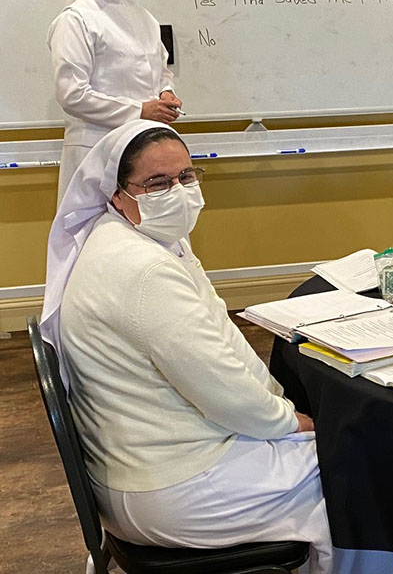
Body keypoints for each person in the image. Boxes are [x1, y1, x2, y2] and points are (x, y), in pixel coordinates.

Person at [39, 121, 333, 573]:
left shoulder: (137, 239)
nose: (178, 191)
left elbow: (219, 343)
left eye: (187, 176)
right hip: (172, 485)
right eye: (157, 182)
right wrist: (289, 420)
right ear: (117, 193)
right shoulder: (142, 269)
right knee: (355, 476)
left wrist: (277, 405)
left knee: (338, 454)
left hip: (146, 468)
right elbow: (222, 389)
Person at [48, 0, 182, 202]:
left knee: (151, 233)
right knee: (97, 237)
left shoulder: (144, 17)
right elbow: (72, 95)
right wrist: (140, 110)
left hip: (146, 147)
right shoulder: (76, 19)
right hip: (96, 150)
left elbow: (160, 69)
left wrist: (165, 93)